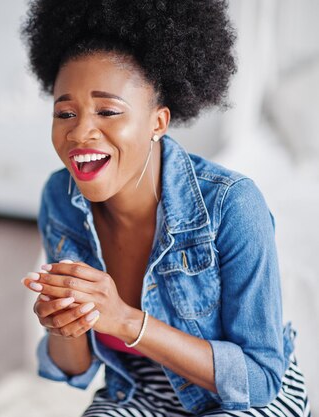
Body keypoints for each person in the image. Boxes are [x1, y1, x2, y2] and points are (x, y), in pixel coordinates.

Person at [18, 1, 311, 416]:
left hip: (244, 396)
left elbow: (259, 378)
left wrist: (124, 321)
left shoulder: (232, 204)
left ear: (158, 122)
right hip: (141, 391)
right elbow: (75, 368)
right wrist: (61, 323)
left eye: (108, 111)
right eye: (65, 112)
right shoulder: (59, 199)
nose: (80, 131)